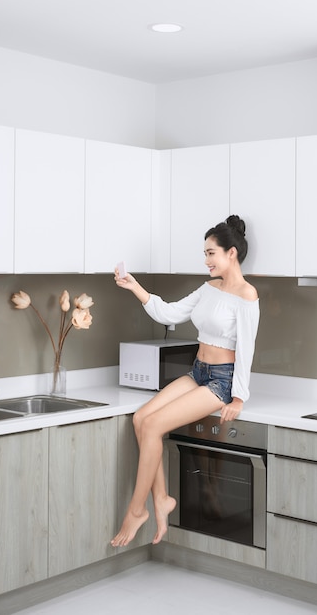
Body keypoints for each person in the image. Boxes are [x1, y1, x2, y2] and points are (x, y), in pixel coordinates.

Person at [111, 214, 259, 548]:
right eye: (205, 253)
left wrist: (239, 397)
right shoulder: (208, 289)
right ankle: (161, 499)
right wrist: (134, 285)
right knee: (140, 419)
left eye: (211, 253)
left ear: (231, 253)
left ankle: (137, 510)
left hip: (220, 383)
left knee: (152, 427)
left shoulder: (248, 296)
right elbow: (169, 313)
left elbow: (246, 350)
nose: (205, 260)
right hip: (198, 373)